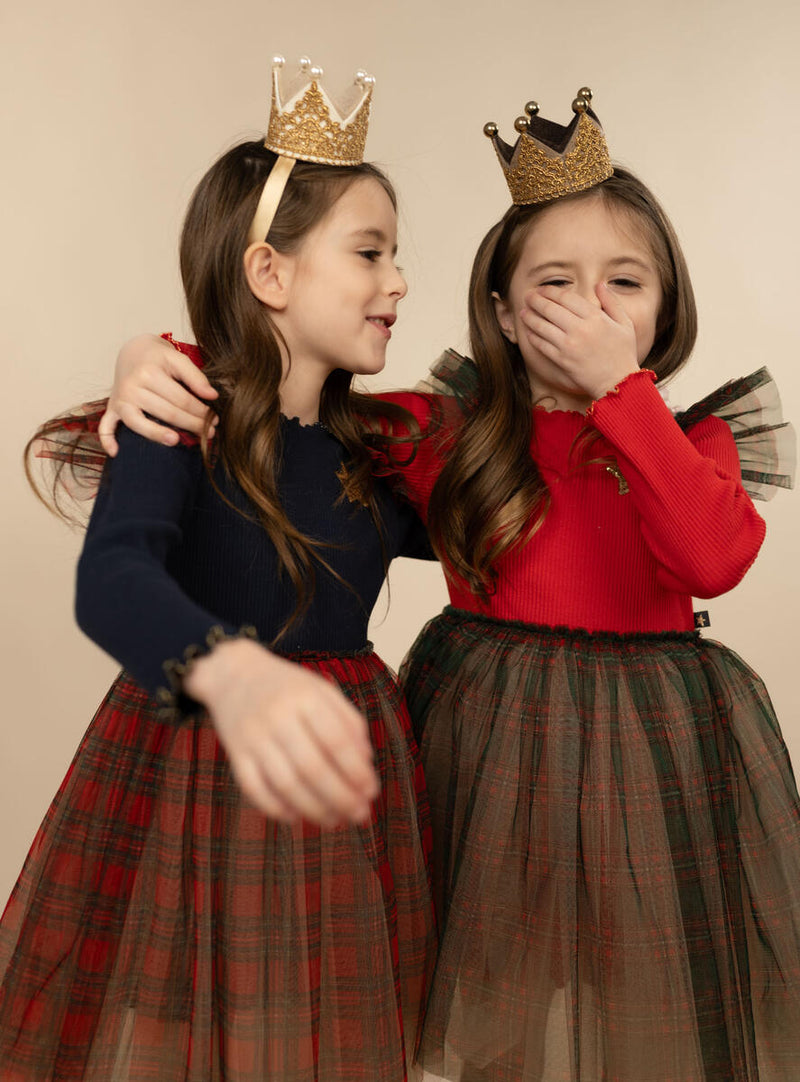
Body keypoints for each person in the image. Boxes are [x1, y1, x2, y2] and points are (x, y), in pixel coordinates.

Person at [39, 91, 800, 1080]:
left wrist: (622, 391)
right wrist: (146, 360)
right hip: (412, 754)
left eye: (623, 281)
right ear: (498, 311)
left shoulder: (664, 442)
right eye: (555, 285)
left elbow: (710, 557)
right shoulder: (446, 438)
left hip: (629, 761)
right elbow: (180, 513)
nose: (592, 309)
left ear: (667, 303)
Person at [0, 58, 436, 1082]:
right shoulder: (176, 416)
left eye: (396, 255)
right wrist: (229, 671)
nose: (398, 282)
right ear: (269, 273)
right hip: (198, 767)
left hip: (348, 766)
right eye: (369, 252)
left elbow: (510, 536)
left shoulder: (381, 447)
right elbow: (113, 578)